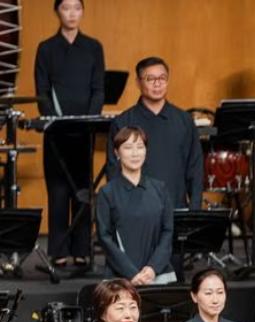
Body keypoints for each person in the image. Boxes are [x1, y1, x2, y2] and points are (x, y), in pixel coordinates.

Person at [34, 0, 104, 270]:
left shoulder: (93, 47)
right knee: (58, 191)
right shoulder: (46, 48)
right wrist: (56, 120)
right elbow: (42, 90)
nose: (72, 13)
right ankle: (59, 252)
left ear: (82, 11)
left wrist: (88, 119)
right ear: (57, 12)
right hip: (56, 131)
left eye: (77, 7)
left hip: (84, 130)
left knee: (84, 191)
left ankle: (83, 250)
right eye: (66, 8)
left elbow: (98, 89)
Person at [107, 57, 203, 210]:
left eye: (162, 78)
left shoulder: (184, 120)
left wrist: (195, 208)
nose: (157, 83)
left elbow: (195, 168)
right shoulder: (123, 122)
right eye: (150, 78)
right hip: (136, 213)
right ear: (138, 82)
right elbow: (114, 171)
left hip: (176, 211)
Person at [96, 127, 174, 285]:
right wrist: (131, 273)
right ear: (117, 153)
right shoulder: (107, 193)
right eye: (128, 147)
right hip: (121, 277)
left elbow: (168, 232)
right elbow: (105, 238)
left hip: (159, 274)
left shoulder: (160, 189)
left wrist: (153, 268)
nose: (135, 153)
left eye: (140, 147)